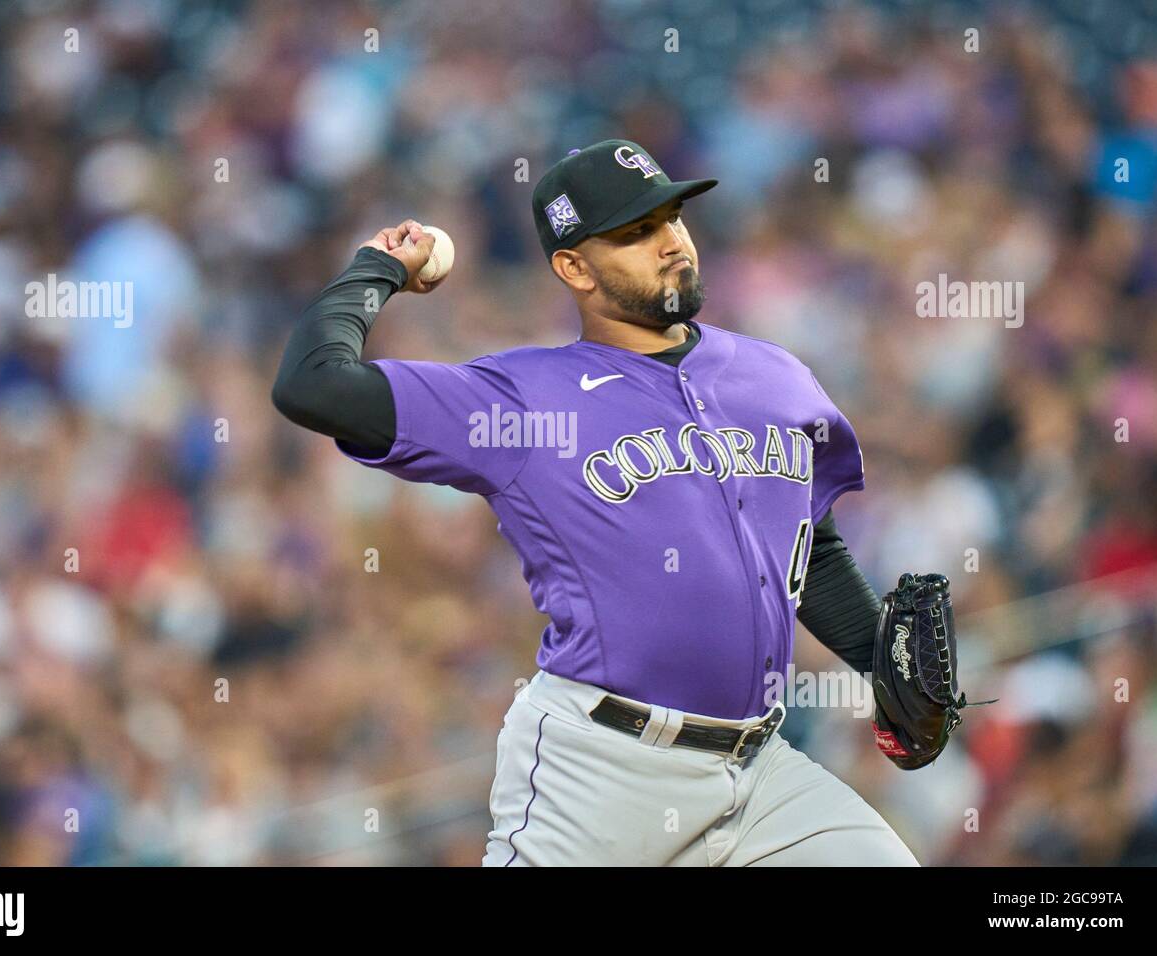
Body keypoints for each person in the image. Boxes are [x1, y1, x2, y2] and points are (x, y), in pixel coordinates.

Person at [272, 139, 919, 866]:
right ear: (573, 267)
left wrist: (884, 667)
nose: (670, 241)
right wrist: (378, 267)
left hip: (759, 767)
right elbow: (312, 385)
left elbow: (812, 547)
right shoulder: (519, 401)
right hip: (601, 768)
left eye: (671, 216)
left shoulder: (776, 377)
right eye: (634, 232)